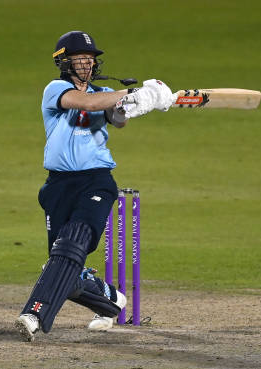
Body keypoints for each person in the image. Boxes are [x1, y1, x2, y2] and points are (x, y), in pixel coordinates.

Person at [14, 30, 174, 342]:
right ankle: (111, 300)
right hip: (58, 185)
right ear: (64, 62)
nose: (87, 64)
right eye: (79, 59)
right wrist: (132, 94)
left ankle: (35, 313)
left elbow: (119, 117)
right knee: (64, 268)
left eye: (90, 59)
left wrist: (142, 102)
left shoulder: (105, 93)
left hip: (96, 180)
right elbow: (86, 102)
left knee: (72, 245)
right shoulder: (56, 89)